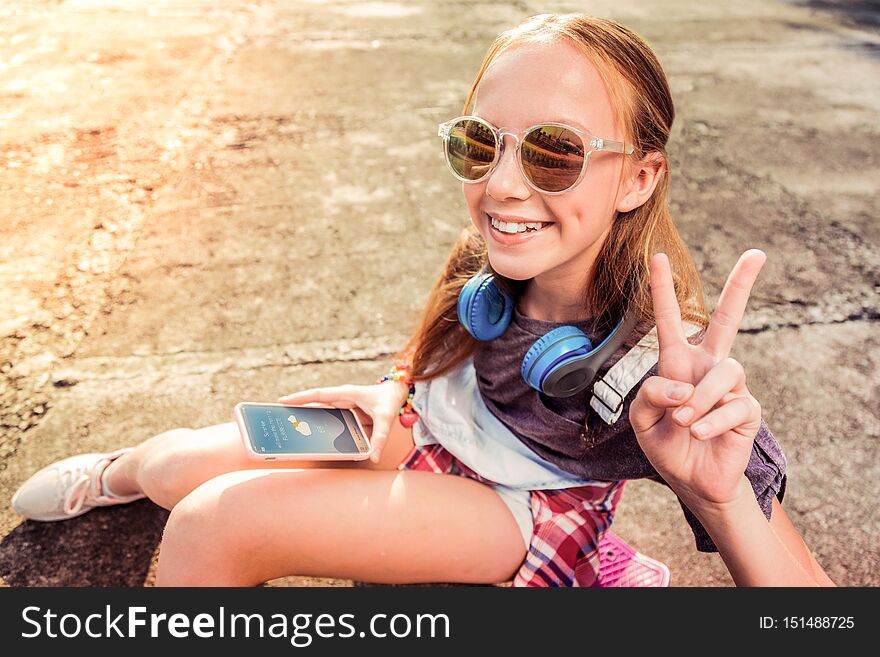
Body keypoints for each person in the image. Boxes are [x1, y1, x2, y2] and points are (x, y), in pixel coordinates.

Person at [10, 13, 833, 587]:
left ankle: (592, 567)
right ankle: (121, 473)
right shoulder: (490, 256)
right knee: (177, 467)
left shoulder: (659, 364)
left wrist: (722, 498)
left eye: (555, 153)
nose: (502, 185)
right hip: (428, 431)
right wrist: (394, 394)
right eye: (479, 144)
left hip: (519, 505)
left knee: (214, 521)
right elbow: (434, 349)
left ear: (640, 175)